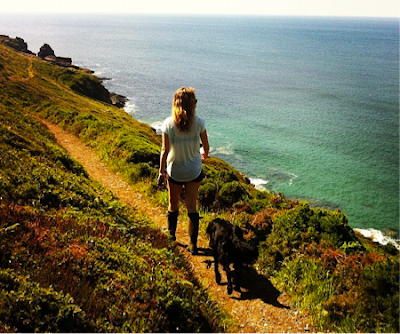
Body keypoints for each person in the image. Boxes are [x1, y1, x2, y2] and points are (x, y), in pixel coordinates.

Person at [158, 87, 209, 255]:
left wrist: (161, 171)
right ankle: (193, 245)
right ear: (192, 104)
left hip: (175, 171)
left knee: (173, 204)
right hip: (194, 171)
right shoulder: (199, 122)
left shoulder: (168, 123)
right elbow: (206, 148)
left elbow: (165, 150)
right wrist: (203, 156)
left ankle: (171, 236)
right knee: (191, 206)